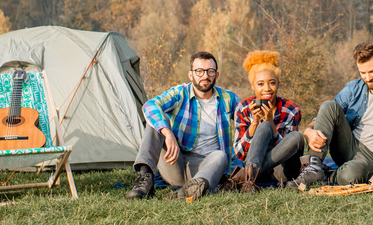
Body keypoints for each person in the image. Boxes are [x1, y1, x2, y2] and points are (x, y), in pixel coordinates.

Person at [289, 42, 373, 188]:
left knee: (349, 176)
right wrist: (308, 130)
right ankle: (314, 167)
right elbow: (327, 115)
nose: (368, 78)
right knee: (329, 105)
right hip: (351, 147)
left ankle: (328, 175)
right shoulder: (353, 89)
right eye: (363, 73)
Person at [127, 51, 239, 201]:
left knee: (220, 155)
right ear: (191, 75)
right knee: (157, 121)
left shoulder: (228, 98)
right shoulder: (180, 93)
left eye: (210, 71)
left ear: (216, 75)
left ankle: (191, 190)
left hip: (207, 167)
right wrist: (167, 132)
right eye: (199, 71)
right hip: (176, 161)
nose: (205, 76)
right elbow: (150, 105)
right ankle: (144, 180)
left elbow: (248, 118)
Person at [232, 50, 305, 193]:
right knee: (263, 126)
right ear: (253, 86)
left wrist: (271, 123)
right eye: (260, 84)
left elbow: (290, 149)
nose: (267, 89)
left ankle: (248, 176)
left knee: (297, 137)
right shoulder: (243, 108)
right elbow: (240, 154)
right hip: (255, 163)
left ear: (278, 84)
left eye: (272, 83)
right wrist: (255, 123)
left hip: (282, 170)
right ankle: (251, 177)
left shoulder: (291, 109)